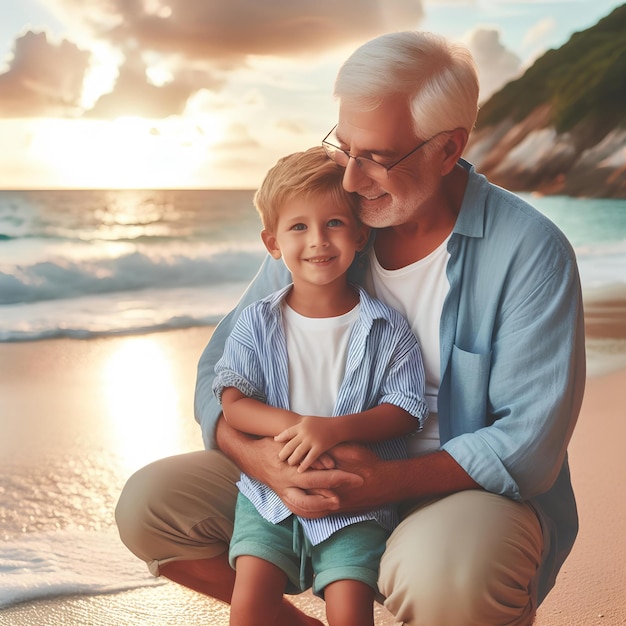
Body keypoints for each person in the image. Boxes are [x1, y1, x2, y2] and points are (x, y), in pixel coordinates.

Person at [116, 30, 586, 626]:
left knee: (448, 576)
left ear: (448, 149)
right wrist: (261, 461)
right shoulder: (331, 224)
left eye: (379, 159)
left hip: (458, 491)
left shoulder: (529, 251)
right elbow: (220, 371)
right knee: (150, 506)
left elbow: (528, 445)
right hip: (311, 463)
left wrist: (379, 482)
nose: (352, 179)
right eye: (345, 148)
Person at [213, 146, 427, 626]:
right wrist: (294, 425)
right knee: (248, 612)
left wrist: (330, 430)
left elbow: (406, 408)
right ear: (273, 243)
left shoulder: (386, 327)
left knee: (349, 613)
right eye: (298, 227)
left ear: (359, 233)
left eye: (333, 223)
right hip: (267, 499)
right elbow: (232, 400)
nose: (318, 241)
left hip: (352, 503)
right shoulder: (257, 322)